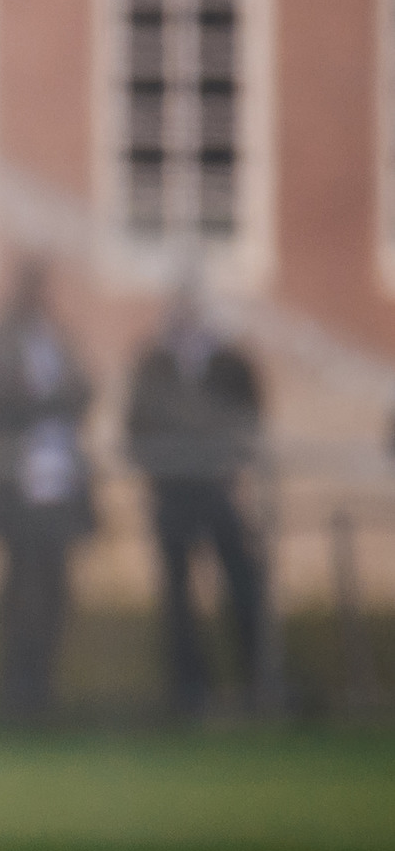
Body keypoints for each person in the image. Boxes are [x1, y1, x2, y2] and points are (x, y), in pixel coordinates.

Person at [126, 282, 271, 720]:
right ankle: (189, 693)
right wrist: (160, 468)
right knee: (177, 597)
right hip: (173, 494)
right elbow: (134, 425)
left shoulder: (230, 361)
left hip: (218, 490)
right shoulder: (153, 362)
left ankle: (256, 684)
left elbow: (251, 418)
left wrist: (226, 462)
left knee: (242, 585)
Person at [0, 259, 96, 726]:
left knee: (56, 590)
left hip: (61, 490)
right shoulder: (2, 338)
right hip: (17, 490)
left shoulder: (58, 337)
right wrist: (52, 403)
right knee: (17, 590)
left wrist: (51, 402)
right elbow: (2, 399)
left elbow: (86, 390)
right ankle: (16, 690)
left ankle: (45, 687)